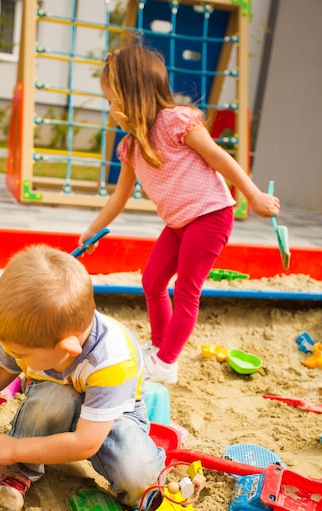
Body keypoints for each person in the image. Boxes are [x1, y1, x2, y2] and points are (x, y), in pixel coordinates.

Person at [78, 44, 280, 385]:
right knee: (152, 281)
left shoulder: (177, 121)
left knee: (187, 290)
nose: (111, 109)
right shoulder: (130, 146)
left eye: (114, 100)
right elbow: (118, 197)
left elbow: (219, 158)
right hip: (178, 223)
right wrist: (91, 232)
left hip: (210, 215)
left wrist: (254, 194)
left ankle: (166, 363)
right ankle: (158, 346)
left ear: (135, 93)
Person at [0, 244, 165, 511]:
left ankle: (25, 452)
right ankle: (16, 470)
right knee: (52, 400)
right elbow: (2, 367)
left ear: (67, 348)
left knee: (140, 479)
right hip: (55, 393)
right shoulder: (33, 333)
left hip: (114, 415)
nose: (14, 356)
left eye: (20, 353)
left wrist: (15, 447)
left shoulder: (111, 363)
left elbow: (85, 443)